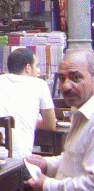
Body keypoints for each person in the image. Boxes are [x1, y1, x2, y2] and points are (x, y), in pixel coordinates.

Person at [26, 49, 94, 191]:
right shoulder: (80, 111)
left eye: (76, 78)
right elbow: (74, 158)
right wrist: (46, 163)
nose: (65, 86)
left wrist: (47, 185)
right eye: (62, 78)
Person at [0, 48, 55, 158]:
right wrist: (32, 120)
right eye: (37, 66)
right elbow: (51, 125)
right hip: (19, 158)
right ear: (28, 68)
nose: (39, 70)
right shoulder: (40, 84)